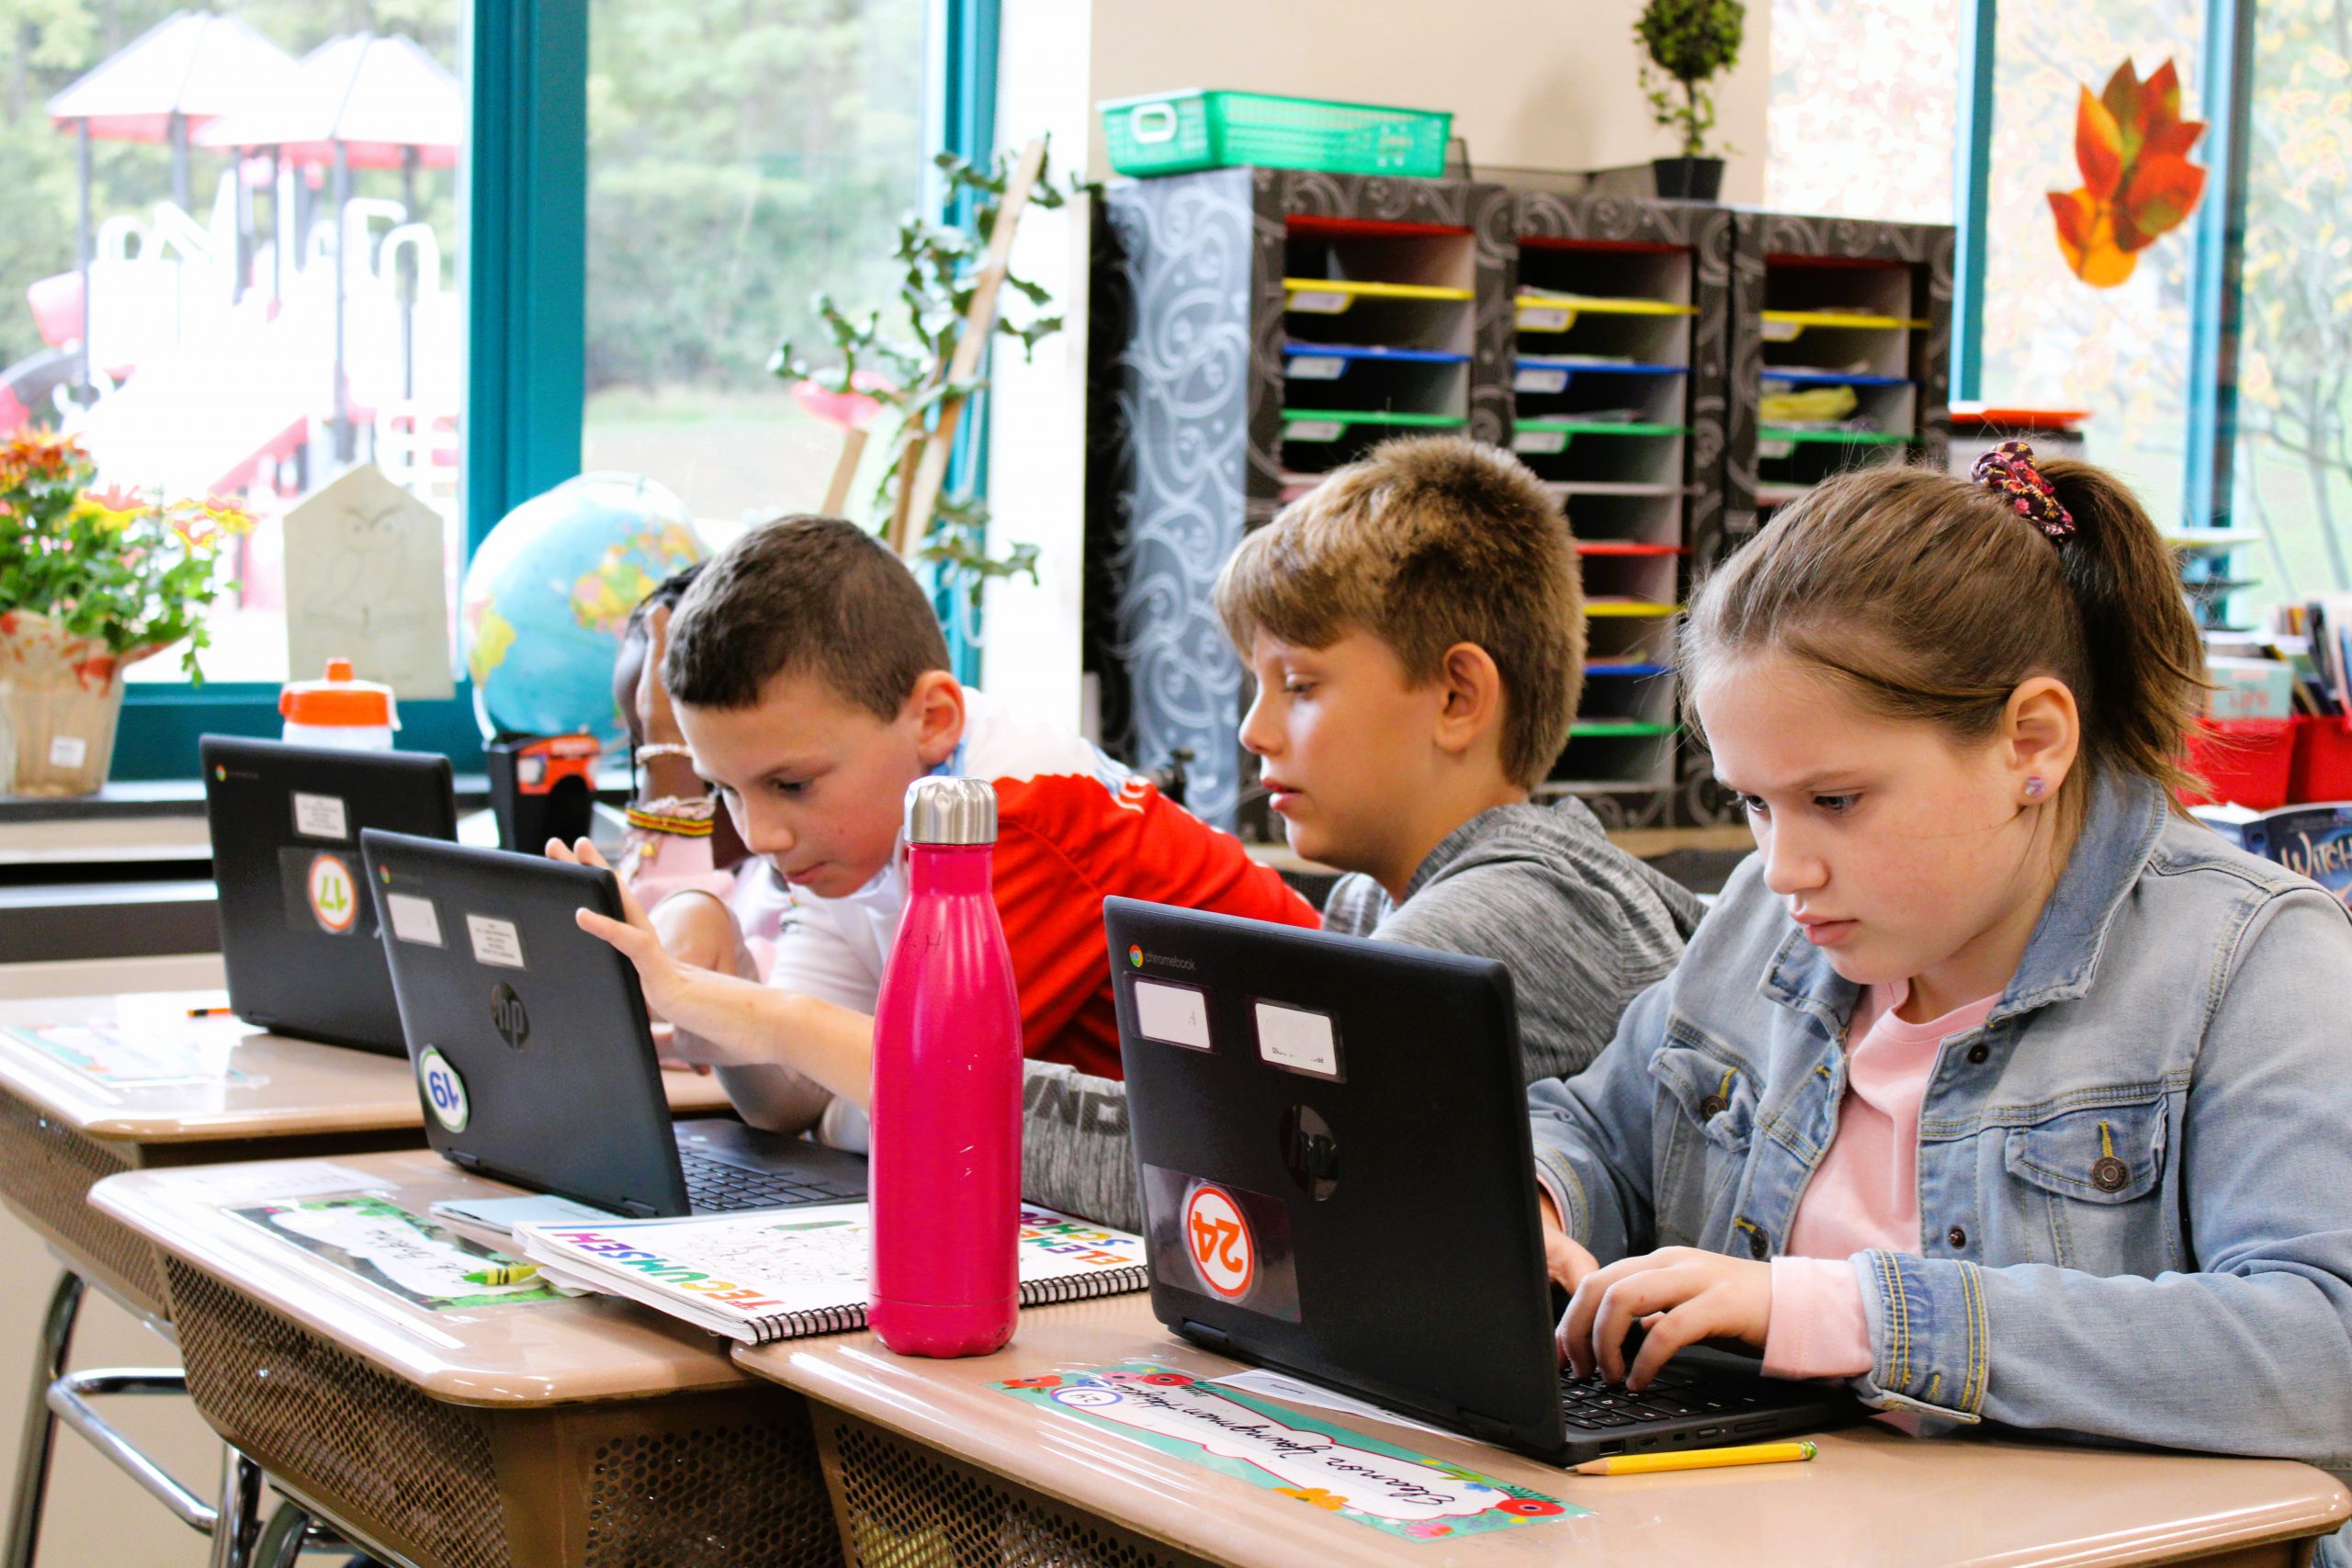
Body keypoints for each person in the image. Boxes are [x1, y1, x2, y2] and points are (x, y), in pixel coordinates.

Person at [1532, 446, 2352, 1545]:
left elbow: (2323, 1350)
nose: (1782, 867)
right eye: (1756, 805)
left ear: (2032, 744)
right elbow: (1594, 1123)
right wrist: (1539, 1204)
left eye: (1834, 799)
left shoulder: (2251, 959)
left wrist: (1849, 1312)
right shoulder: (1767, 913)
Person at [1023, 435, 1704, 1228]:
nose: (1254, 730)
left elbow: (1228, 1166)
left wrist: (901, 1070)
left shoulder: (1510, 911)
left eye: (1301, 685)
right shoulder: (1371, 900)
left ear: (1457, 697)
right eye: (1258, 685)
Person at [560, 513, 1319, 1154]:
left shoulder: (1018, 812)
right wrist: (711, 993)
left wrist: (765, 1023)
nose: (760, 835)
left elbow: (930, 1103)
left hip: (1289, 1160)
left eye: (790, 785)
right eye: (725, 789)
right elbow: (789, 1100)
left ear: (933, 720)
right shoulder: (852, 825)